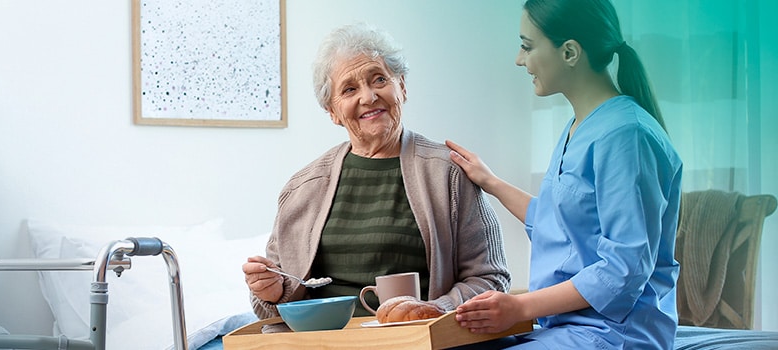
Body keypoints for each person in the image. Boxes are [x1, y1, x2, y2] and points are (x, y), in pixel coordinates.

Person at [447, 0, 683, 349]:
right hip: (568, 328)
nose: (519, 60)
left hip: (615, 333)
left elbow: (625, 268)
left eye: (527, 46)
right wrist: (490, 182)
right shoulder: (580, 127)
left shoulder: (626, 136)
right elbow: (555, 224)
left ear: (570, 52)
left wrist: (519, 307)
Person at [240, 23, 511, 321]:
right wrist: (271, 291)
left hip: (415, 337)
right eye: (349, 89)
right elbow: (270, 306)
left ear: (402, 86)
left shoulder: (448, 173)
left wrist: (437, 310)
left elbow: (491, 278)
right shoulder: (302, 187)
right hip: (325, 339)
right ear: (333, 112)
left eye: (379, 79)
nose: (368, 97)